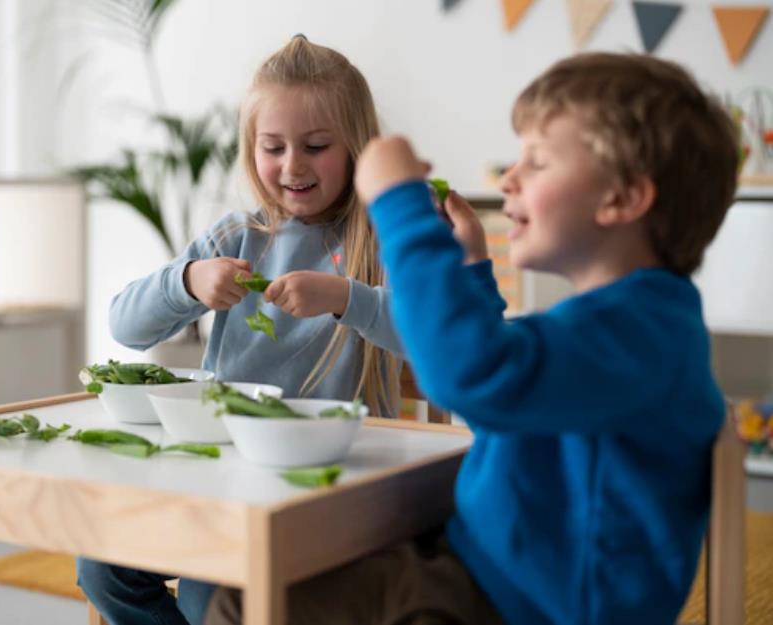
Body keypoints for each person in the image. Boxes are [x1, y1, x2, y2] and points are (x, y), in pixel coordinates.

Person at [205, 52, 740, 625]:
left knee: (254, 603)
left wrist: (399, 206)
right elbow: (509, 389)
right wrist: (466, 272)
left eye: (536, 162)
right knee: (252, 595)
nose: (509, 178)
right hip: (478, 570)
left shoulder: (636, 336)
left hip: (520, 605)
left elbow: (469, 375)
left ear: (623, 199)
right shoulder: (627, 321)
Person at [79, 35, 407, 625]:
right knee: (101, 567)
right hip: (219, 479)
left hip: (325, 494)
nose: (292, 166)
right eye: (272, 147)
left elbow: (435, 339)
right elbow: (123, 326)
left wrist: (346, 298)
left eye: (316, 146)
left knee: (214, 598)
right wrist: (187, 281)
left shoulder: (380, 243)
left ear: (357, 147)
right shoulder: (238, 238)